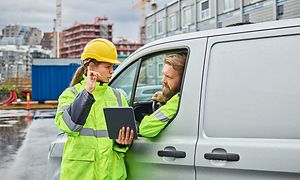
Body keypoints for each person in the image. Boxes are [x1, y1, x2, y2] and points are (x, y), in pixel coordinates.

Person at [55, 38, 134, 180]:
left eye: (113, 67)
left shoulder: (118, 96)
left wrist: (122, 143)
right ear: (91, 66)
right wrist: (87, 93)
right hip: (81, 175)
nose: (112, 71)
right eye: (108, 67)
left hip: (111, 175)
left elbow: (120, 142)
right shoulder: (71, 95)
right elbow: (69, 126)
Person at [139, 53, 186, 137]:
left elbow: (145, 129)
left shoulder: (181, 100)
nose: (163, 80)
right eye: (164, 75)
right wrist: (165, 99)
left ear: (183, 79)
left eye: (169, 77)